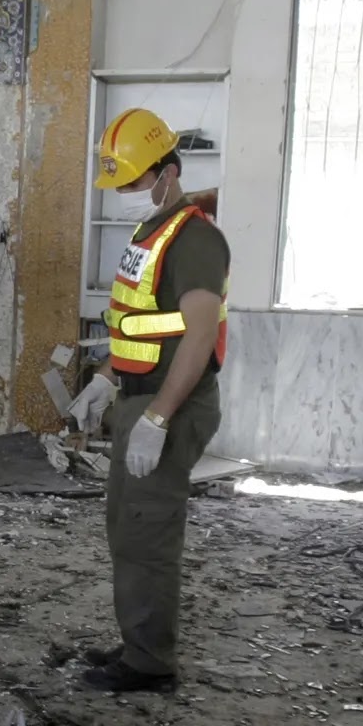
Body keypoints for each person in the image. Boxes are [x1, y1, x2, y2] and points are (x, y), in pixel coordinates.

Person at [67, 107, 228, 694]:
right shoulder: (151, 233)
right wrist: (105, 380)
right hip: (139, 397)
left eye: (135, 181)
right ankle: (139, 639)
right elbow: (141, 323)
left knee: (148, 532)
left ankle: (149, 664)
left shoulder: (196, 239)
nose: (128, 193)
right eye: (120, 184)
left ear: (169, 171)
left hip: (170, 402)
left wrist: (159, 417)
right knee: (128, 529)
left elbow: (200, 335)